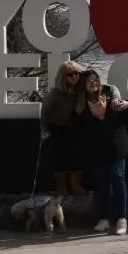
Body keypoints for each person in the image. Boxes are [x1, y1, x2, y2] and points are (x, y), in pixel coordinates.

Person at [72, 69, 128, 235]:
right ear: (83, 85)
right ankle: (104, 219)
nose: (94, 83)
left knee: (118, 178)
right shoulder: (80, 104)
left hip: (116, 146)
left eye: (96, 80)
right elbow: (80, 127)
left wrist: (127, 104)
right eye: (89, 81)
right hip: (97, 149)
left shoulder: (109, 95)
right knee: (104, 183)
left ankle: (122, 219)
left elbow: (124, 115)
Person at [40, 60, 86, 195]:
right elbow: (45, 111)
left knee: (76, 156)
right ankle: (61, 185)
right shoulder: (56, 93)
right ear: (63, 77)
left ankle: (75, 184)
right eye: (70, 74)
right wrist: (44, 128)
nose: (75, 77)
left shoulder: (79, 92)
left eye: (77, 73)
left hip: (74, 128)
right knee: (60, 157)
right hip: (58, 128)